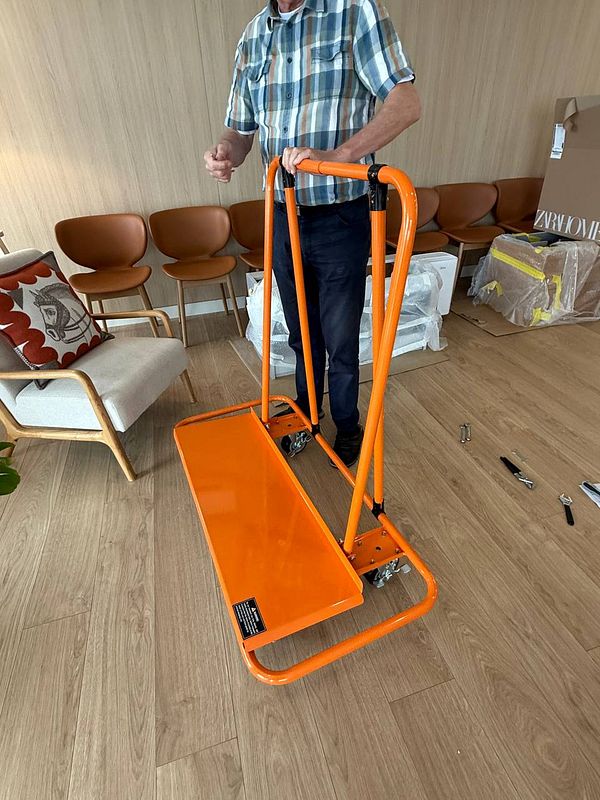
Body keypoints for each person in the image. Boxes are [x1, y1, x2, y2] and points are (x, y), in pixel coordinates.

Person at [205, 0, 420, 467]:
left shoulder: (354, 11)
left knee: (340, 337)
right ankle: (308, 417)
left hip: (341, 215)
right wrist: (226, 151)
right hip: (281, 214)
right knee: (301, 334)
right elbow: (240, 133)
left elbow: (406, 104)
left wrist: (342, 154)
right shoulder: (255, 34)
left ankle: (347, 424)